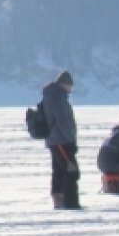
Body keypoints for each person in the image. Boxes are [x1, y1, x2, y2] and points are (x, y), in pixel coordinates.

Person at [42, 70, 80, 210]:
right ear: (64, 84)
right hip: (61, 140)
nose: (71, 89)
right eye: (70, 86)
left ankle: (59, 200)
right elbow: (63, 121)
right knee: (71, 170)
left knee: (58, 170)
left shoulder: (52, 95)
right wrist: (71, 140)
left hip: (55, 140)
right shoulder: (57, 97)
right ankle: (71, 202)